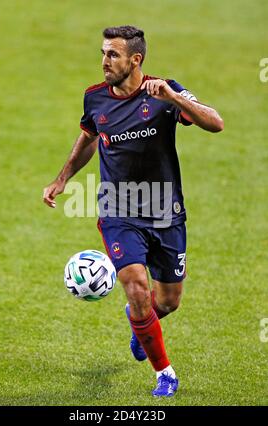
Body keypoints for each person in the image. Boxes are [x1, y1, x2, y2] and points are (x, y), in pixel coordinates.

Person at [43, 25, 224, 397]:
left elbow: (215, 123)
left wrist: (176, 99)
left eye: (113, 55)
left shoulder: (164, 91)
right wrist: (62, 179)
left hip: (165, 211)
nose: (104, 61)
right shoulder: (95, 99)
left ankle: (140, 322)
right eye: (103, 53)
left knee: (168, 302)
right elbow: (89, 136)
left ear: (135, 60)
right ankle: (165, 373)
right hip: (118, 212)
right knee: (137, 287)